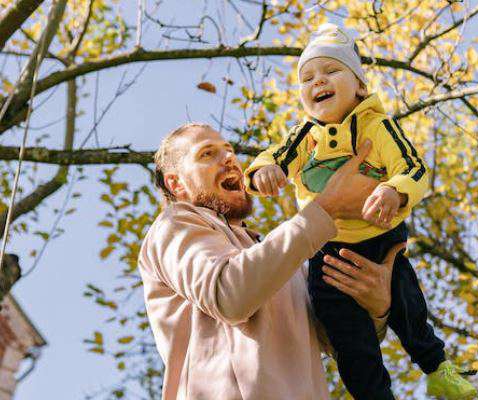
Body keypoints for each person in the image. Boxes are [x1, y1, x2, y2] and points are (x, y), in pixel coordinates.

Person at [244, 23, 476, 400]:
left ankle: (437, 367)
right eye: (307, 77)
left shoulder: (377, 125)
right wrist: (262, 172)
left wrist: (393, 190)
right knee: (349, 340)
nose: (318, 81)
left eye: (331, 70)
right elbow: (276, 158)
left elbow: (413, 168)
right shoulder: (305, 135)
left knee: (408, 307)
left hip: (383, 242)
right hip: (327, 250)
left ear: (361, 86)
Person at [138, 122, 404, 399]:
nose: (230, 159)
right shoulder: (174, 225)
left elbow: (335, 339)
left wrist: (376, 308)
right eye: (207, 153)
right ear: (176, 183)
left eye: (229, 151)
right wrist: (325, 207)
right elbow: (229, 295)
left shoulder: (279, 260)